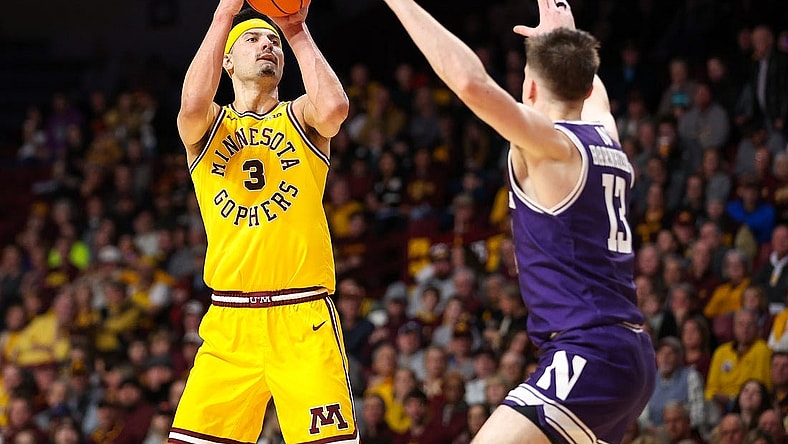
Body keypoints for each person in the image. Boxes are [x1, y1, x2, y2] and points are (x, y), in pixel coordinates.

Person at [381, 0, 656, 443]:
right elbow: (587, 84)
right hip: (629, 351)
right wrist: (562, 36)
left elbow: (470, 83)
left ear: (528, 90)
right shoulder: (606, 134)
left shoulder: (552, 147)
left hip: (590, 352)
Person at [168, 1, 356, 443]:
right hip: (230, 322)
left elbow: (335, 108)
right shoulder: (209, 125)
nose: (266, 45)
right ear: (228, 62)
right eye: (252, 39)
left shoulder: (300, 115)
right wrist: (223, 16)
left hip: (302, 316)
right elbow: (191, 105)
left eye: (272, 42)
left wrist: (294, 31)